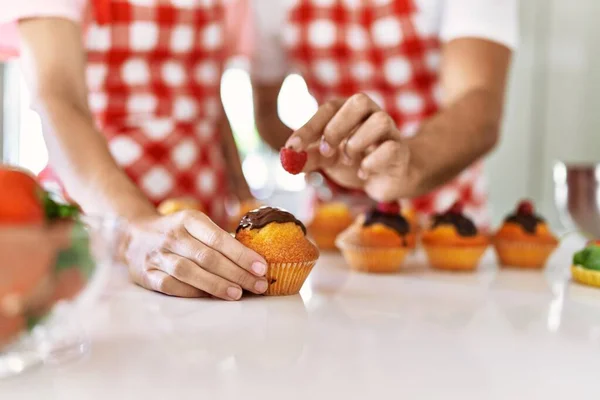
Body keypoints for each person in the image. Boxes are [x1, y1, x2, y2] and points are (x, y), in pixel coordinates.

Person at [0, 0, 270, 300]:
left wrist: (245, 200)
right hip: (95, 237)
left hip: (203, 237)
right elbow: (59, 98)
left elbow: (205, 99)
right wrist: (134, 228)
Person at [248, 0, 518, 228]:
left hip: (448, 216)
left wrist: (408, 164)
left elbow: (478, 101)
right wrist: (321, 162)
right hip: (337, 223)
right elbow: (266, 115)